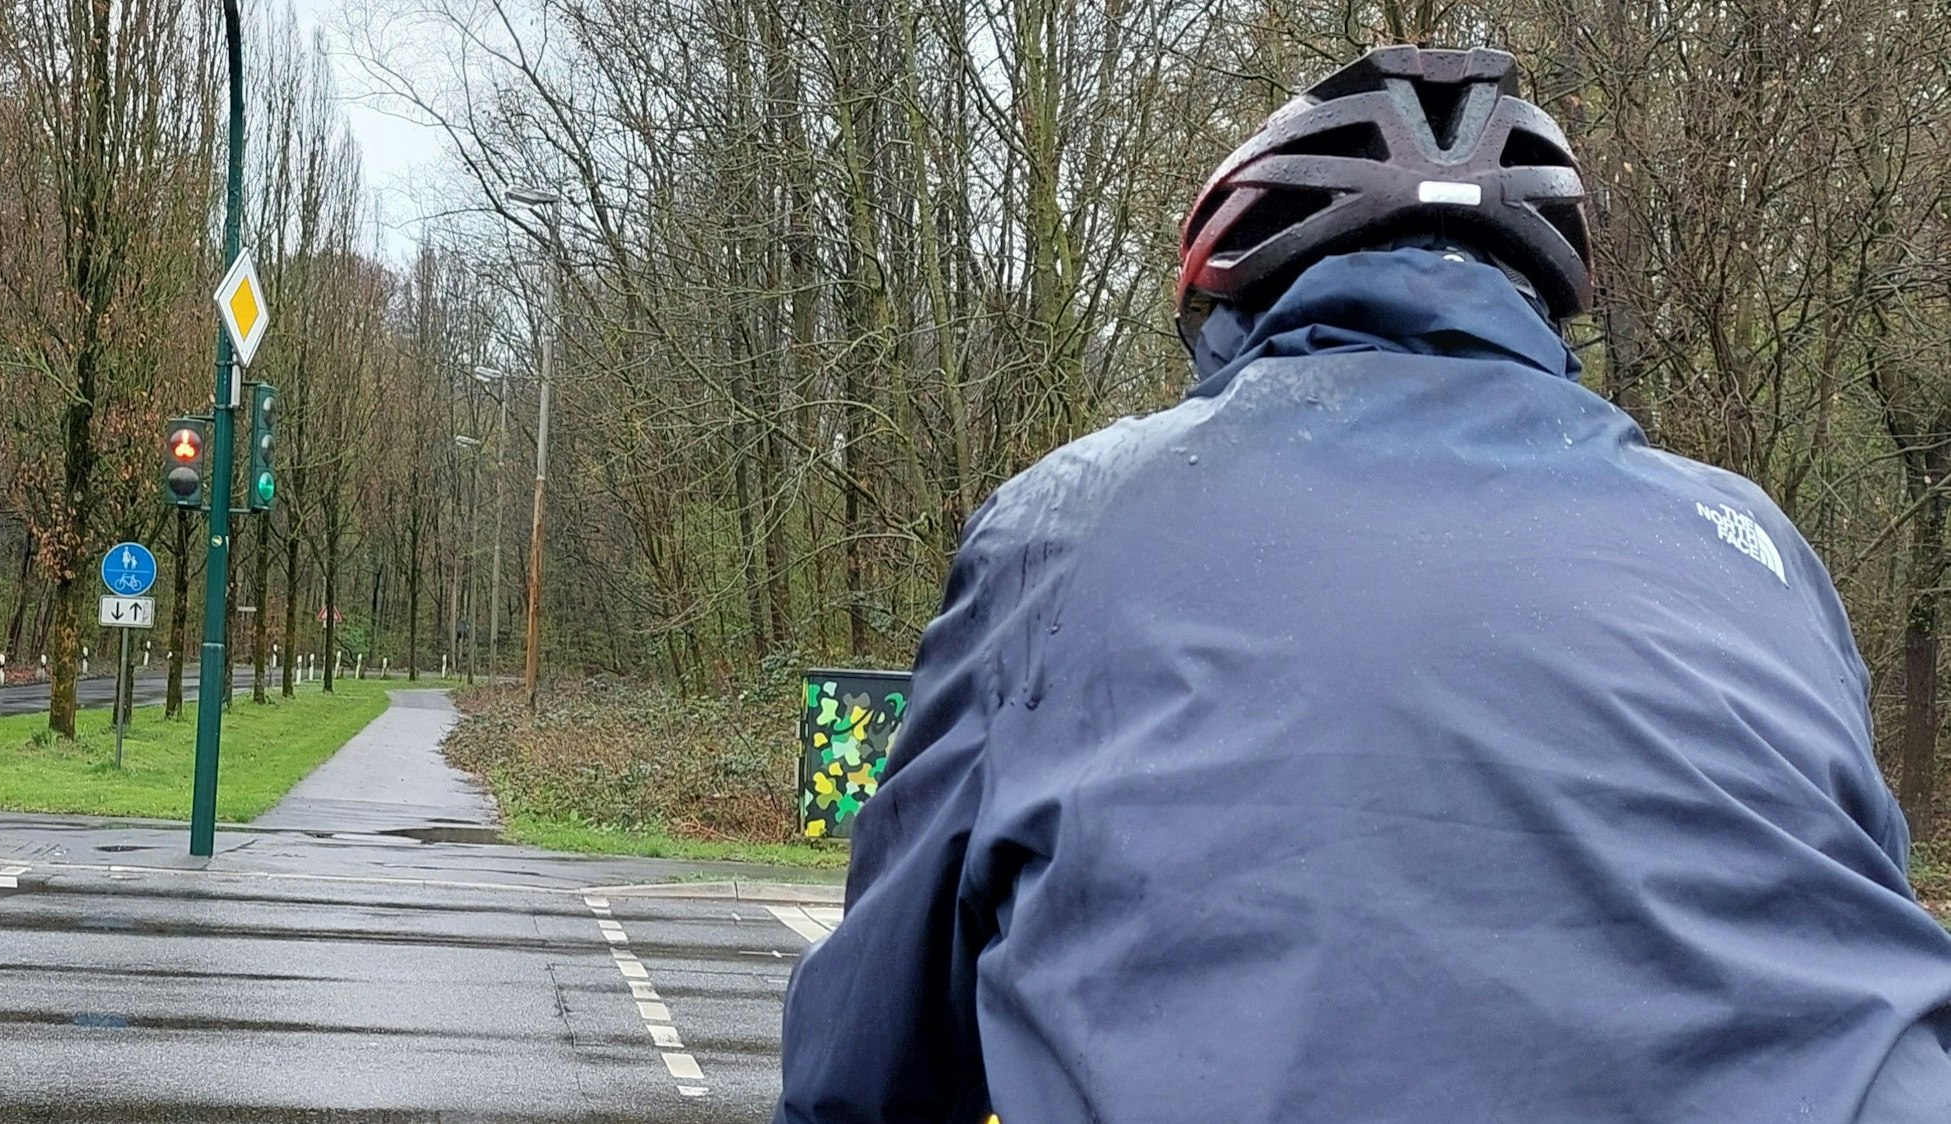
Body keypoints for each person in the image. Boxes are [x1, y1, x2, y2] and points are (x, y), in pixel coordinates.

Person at [773, 46, 1951, 1122]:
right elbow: (1857, 882)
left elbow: (869, 1055)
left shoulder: (1069, 522)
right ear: (1543, 314)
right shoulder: (1750, 540)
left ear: (1231, 307)